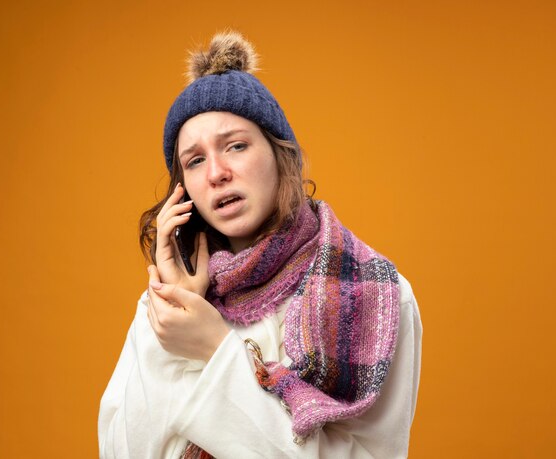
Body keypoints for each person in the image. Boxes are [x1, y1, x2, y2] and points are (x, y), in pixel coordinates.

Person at [98, 31, 422, 459]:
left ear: (280, 153)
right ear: (184, 188)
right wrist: (176, 314)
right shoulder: (164, 307)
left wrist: (216, 351)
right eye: (195, 160)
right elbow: (124, 451)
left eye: (235, 145)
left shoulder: (376, 294)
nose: (217, 172)